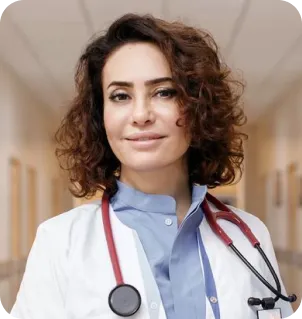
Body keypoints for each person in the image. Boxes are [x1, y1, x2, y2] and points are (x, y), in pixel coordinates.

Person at [9, 13, 294, 319]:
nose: (141, 114)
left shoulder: (248, 234)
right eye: (120, 96)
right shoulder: (60, 241)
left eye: (164, 92)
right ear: (100, 116)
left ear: (197, 106)